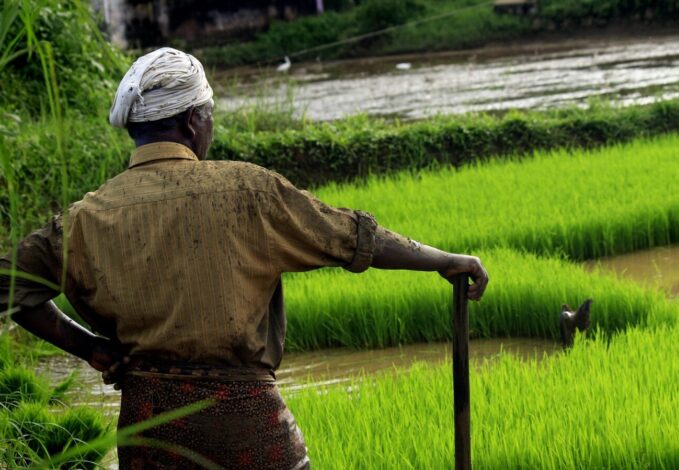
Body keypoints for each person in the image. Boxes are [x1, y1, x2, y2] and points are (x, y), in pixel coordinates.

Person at [0, 47, 488, 469]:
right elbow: (352, 238)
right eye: (209, 114)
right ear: (194, 121)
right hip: (245, 424)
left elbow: (9, 285)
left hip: (148, 429)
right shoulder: (247, 189)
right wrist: (445, 259)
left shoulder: (86, 217)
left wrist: (91, 348)